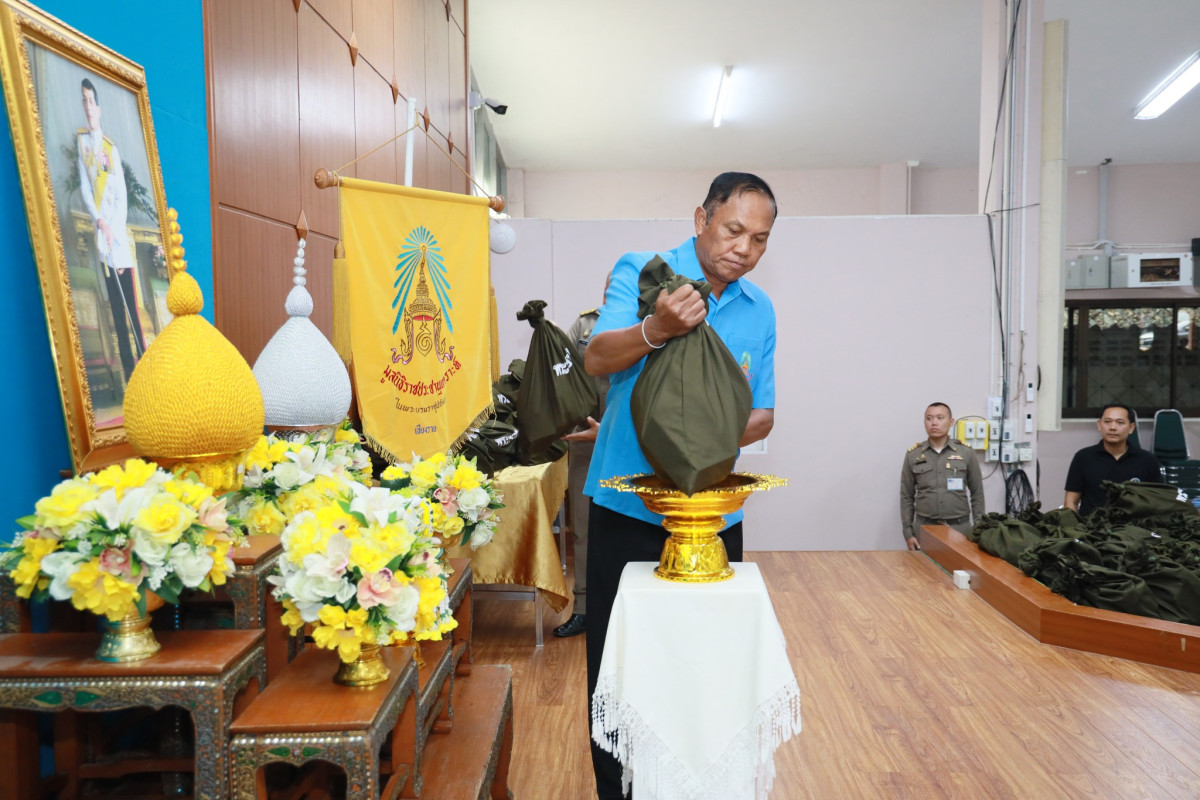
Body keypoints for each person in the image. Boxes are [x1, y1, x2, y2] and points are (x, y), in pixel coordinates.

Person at [582, 172, 777, 799]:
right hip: (628, 507)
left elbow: (763, 414)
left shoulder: (759, 309)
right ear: (702, 219)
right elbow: (597, 357)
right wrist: (657, 329)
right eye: (734, 230)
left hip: (713, 517)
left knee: (709, 664)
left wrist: (696, 436)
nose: (744, 248)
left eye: (760, 239)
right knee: (617, 668)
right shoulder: (645, 271)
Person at [554, 276, 612, 639]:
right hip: (586, 443)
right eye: (611, 286)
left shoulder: (651, 326)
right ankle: (584, 608)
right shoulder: (586, 325)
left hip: (634, 442)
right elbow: (563, 374)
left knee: (634, 528)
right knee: (585, 528)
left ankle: (624, 607)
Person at [77, 77, 144, 382]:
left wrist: (112, 231)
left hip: (117, 241)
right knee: (116, 311)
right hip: (102, 240)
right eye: (84, 101)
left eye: (92, 101)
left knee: (131, 309)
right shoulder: (82, 144)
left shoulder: (109, 149)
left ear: (99, 108)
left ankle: (144, 363)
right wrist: (98, 221)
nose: (88, 106)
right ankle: (129, 371)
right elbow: (85, 187)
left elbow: (121, 198)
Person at [899, 402, 985, 550]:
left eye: (940, 418)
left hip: (960, 528)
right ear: (924, 422)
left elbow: (977, 493)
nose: (934, 423)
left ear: (951, 422)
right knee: (924, 565)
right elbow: (906, 496)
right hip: (925, 528)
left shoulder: (966, 452)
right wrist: (908, 532)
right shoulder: (914, 454)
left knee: (959, 565)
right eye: (929, 418)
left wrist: (979, 529)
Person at [1064, 403, 1162, 516]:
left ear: (1131, 428)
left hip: (1133, 525)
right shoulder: (1083, 457)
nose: (1113, 427)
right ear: (1099, 425)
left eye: (1120, 422)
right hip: (1091, 524)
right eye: (1107, 422)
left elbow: (1158, 501)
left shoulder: (1147, 459)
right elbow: (1071, 502)